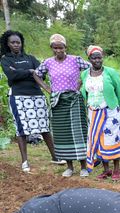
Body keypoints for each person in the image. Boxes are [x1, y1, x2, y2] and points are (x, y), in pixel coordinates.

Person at [0, 30, 65, 173]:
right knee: (21, 129)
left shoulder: (30, 57)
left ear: (21, 43)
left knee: (44, 127)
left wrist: (21, 72)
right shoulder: (5, 59)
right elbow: (11, 75)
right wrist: (30, 72)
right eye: (13, 42)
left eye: (18, 42)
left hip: (37, 95)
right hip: (18, 97)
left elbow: (41, 72)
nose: (16, 45)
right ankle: (25, 161)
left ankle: (55, 156)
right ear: (8, 44)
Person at [33, 34, 90, 178]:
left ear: (66, 47)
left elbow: (90, 68)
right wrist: (46, 88)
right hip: (57, 101)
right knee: (62, 135)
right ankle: (70, 167)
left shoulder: (75, 60)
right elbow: (36, 74)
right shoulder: (48, 62)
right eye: (55, 47)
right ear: (52, 48)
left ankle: (83, 166)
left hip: (74, 100)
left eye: (61, 47)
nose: (58, 50)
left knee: (78, 132)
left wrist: (79, 84)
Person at [81, 45, 120, 181]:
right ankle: (106, 170)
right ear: (89, 58)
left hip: (110, 112)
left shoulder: (110, 72)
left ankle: (116, 170)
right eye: (94, 58)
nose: (97, 60)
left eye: (99, 57)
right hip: (93, 112)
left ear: (103, 58)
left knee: (112, 139)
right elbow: (85, 92)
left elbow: (119, 91)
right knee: (98, 139)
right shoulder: (85, 74)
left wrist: (117, 106)